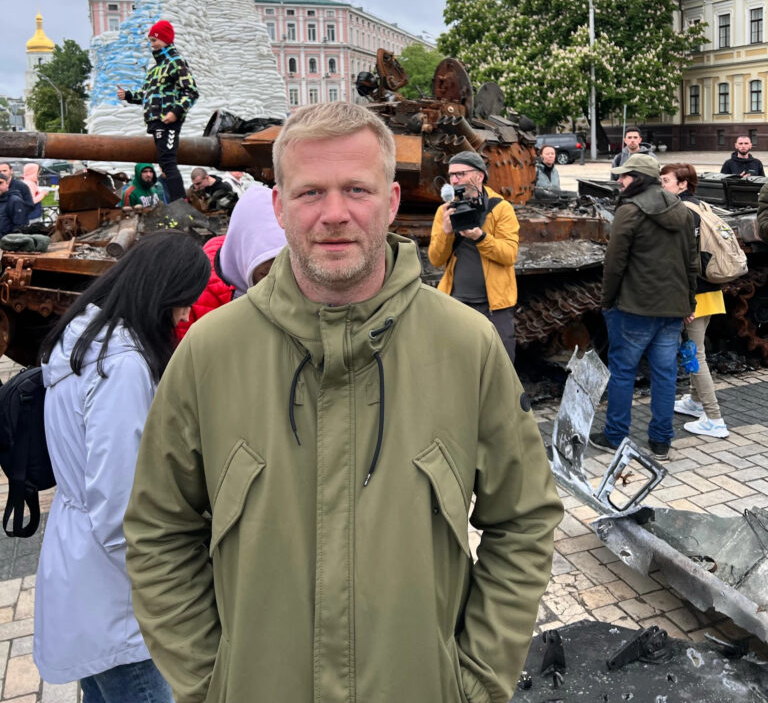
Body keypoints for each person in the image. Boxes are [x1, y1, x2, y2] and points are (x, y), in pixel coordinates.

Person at [125, 102, 562, 703]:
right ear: (279, 207)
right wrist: (213, 681)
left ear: (391, 202)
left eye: (357, 189)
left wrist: (475, 681)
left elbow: (524, 519)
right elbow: (159, 532)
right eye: (310, 192)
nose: (334, 214)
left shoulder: (466, 346)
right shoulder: (210, 353)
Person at [33, 231, 210, 702]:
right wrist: (172, 579)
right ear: (160, 293)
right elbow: (120, 505)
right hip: (117, 590)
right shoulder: (122, 366)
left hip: (82, 564)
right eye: (182, 302)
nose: (185, 315)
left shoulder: (84, 338)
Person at [590, 153, 698, 461]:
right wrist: (689, 301)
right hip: (672, 308)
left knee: (623, 372)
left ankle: (614, 436)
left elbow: (614, 264)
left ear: (639, 179)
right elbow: (691, 262)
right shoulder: (681, 210)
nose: (620, 180)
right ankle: (661, 441)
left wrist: (607, 301)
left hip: (634, 308)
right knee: (665, 374)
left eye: (625, 175)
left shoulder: (629, 211)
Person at [428, 150, 520, 364]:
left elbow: (509, 254)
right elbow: (436, 259)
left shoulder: (500, 208)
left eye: (460, 174)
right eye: (451, 175)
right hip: (456, 303)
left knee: (500, 364)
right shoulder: (445, 211)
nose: (454, 180)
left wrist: (480, 237)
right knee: (456, 364)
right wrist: (446, 232)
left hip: (494, 307)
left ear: (479, 176)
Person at [660, 163, 729, 438]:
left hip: (695, 293)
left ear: (682, 184)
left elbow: (681, 260)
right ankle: (694, 400)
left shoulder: (681, 212)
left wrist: (683, 300)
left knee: (696, 353)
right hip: (711, 289)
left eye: (666, 180)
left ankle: (714, 418)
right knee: (693, 347)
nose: (662, 185)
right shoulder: (701, 206)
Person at [176, 183, 287, 338]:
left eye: (286, 261)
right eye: (266, 271)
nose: (277, 273)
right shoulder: (192, 292)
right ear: (243, 247)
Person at [116, 20, 198, 203]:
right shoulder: (155, 69)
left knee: (168, 163)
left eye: (155, 40)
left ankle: (181, 204)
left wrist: (175, 112)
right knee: (164, 163)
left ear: (165, 39)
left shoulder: (175, 62)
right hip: (156, 122)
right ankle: (176, 202)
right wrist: (128, 95)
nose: (152, 45)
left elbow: (191, 91)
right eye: (151, 41)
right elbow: (147, 95)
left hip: (168, 121)